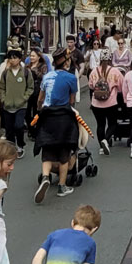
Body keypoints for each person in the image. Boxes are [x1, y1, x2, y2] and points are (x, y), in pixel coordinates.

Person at [34, 48, 80, 203]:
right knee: (64, 152)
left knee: (47, 149)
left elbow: (40, 99)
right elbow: (72, 100)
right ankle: (62, 186)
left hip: (47, 116)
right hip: (63, 116)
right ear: (66, 62)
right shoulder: (71, 78)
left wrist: (40, 111)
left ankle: (46, 177)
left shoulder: (47, 77)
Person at [0, 49, 34, 158]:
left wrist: (24, 98)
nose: (12, 60)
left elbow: (30, 87)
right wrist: (4, 99)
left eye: (15, 58)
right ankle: (12, 147)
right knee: (9, 129)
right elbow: (2, 87)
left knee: (19, 126)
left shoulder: (26, 72)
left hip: (21, 105)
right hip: (8, 105)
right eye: (10, 58)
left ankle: (20, 144)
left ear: (19, 59)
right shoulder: (5, 73)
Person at [88, 50, 122, 155]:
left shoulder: (94, 71)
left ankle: (101, 147)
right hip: (111, 102)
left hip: (96, 103)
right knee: (112, 123)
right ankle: (106, 140)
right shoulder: (115, 71)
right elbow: (121, 87)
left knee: (100, 124)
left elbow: (90, 85)